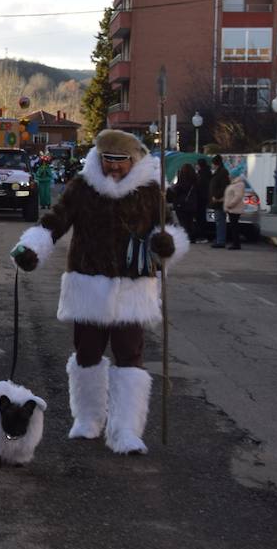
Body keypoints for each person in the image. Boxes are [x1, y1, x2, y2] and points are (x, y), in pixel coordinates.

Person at [10, 129, 188, 455]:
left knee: (130, 358)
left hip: (132, 290)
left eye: (120, 161)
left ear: (134, 161)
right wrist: (31, 248)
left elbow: (170, 230)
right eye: (108, 159)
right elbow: (55, 222)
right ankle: (88, 419)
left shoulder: (150, 192)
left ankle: (125, 432)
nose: (113, 167)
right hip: (88, 286)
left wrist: (166, 246)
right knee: (87, 354)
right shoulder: (82, 187)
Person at [207, 154, 229, 248]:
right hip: (216, 201)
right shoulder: (219, 172)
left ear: (215, 163)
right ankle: (219, 239)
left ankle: (221, 241)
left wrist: (216, 196)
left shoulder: (222, 172)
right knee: (218, 221)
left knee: (220, 221)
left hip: (219, 201)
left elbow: (224, 186)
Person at [222, 165, 246, 250]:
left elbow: (238, 196)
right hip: (231, 209)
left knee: (234, 227)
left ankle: (236, 244)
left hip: (234, 209)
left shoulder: (238, 185)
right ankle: (235, 243)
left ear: (234, 175)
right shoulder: (234, 184)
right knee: (233, 226)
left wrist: (230, 204)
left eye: (230, 174)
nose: (228, 176)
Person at [190, 157, 212, 243]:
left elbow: (199, 187)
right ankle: (202, 235)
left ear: (199, 165)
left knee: (200, 219)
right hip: (205, 199)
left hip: (200, 199)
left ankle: (201, 236)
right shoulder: (208, 173)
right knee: (202, 218)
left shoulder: (201, 175)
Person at [172, 163, 197, 239]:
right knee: (190, 221)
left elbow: (175, 191)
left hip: (181, 204)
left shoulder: (181, 181)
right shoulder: (195, 180)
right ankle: (191, 236)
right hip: (192, 203)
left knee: (183, 222)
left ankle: (185, 236)